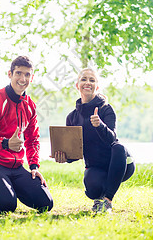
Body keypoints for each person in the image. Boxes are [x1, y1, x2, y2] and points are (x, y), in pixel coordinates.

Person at [0, 56, 53, 213]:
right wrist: (5, 143)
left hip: (15, 166)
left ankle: (6, 185)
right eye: (18, 73)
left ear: (32, 77)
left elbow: (33, 139)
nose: (23, 79)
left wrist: (33, 166)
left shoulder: (30, 105)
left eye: (27, 74)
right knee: (6, 206)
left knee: (46, 203)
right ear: (10, 74)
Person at [55, 68, 135, 213]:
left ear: (97, 87)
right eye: (84, 79)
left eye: (92, 80)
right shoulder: (72, 117)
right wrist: (64, 157)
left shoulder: (106, 109)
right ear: (77, 85)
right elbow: (75, 152)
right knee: (92, 191)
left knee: (119, 147)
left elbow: (112, 139)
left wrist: (99, 125)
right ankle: (100, 197)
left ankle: (108, 201)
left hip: (120, 163)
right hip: (96, 167)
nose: (88, 83)